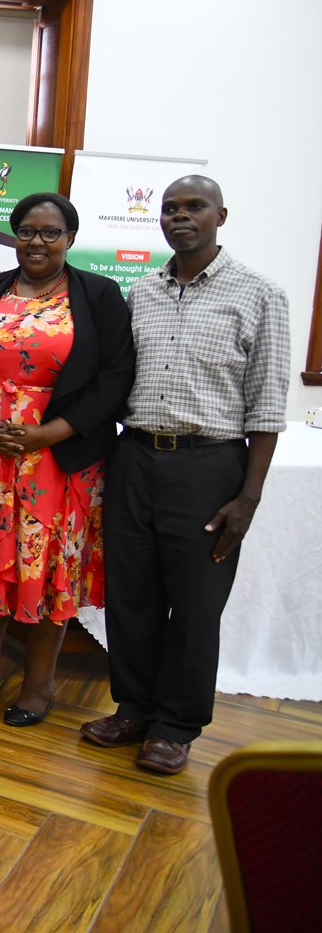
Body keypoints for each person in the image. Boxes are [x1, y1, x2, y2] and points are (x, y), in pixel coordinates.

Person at [81, 176, 289, 774]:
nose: (180, 217)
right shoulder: (140, 292)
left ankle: (176, 726)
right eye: (170, 209)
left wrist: (248, 498)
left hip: (209, 464)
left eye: (193, 207)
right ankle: (134, 709)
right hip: (136, 458)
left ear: (220, 214)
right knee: (131, 597)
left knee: (195, 605)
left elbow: (268, 407)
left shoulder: (260, 294)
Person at [0, 192, 133, 726]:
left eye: (50, 232)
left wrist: (49, 433)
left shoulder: (98, 295)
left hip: (59, 458)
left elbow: (115, 377)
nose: (37, 242)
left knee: (45, 566)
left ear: (70, 238)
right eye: (27, 230)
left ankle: (41, 681)